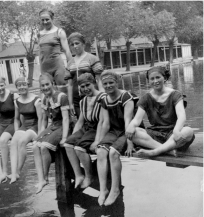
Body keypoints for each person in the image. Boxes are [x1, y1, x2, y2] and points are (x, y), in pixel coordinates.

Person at [126, 66, 195, 157]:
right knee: (134, 132)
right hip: (156, 134)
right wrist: (131, 126)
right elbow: (136, 120)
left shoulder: (175, 95)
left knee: (188, 131)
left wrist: (176, 130)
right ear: (149, 81)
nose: (155, 81)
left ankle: (154, 151)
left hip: (173, 134)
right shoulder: (146, 98)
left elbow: (181, 116)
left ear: (165, 78)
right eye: (152, 79)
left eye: (158, 77)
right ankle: (167, 150)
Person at [96, 71, 137, 206]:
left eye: (111, 82)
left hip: (129, 129)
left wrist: (130, 143)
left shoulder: (126, 97)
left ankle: (115, 190)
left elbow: (128, 121)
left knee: (113, 153)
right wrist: (100, 142)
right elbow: (106, 123)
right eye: (105, 84)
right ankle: (103, 189)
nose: (108, 86)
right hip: (115, 130)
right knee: (101, 151)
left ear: (117, 82)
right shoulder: (104, 99)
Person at [64, 73, 106, 190]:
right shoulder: (83, 101)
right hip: (87, 127)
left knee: (79, 148)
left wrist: (97, 140)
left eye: (88, 85)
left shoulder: (102, 98)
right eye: (82, 87)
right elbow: (80, 121)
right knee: (68, 144)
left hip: (98, 127)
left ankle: (89, 176)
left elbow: (103, 122)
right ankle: (78, 175)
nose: (85, 89)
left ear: (94, 83)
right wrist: (73, 136)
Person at [32, 73, 70, 193]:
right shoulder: (44, 98)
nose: (45, 88)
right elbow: (44, 119)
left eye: (47, 84)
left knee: (44, 147)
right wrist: (40, 134)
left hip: (65, 126)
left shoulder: (61, 97)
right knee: (35, 146)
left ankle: (46, 177)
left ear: (52, 83)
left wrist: (64, 137)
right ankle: (41, 179)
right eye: (42, 86)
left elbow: (66, 119)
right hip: (53, 125)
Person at [9, 77, 42, 184]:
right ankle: (13, 172)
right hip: (25, 125)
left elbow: (41, 118)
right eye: (19, 85)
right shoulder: (17, 101)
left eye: (24, 85)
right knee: (14, 142)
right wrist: (16, 132)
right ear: (17, 88)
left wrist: (40, 134)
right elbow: (16, 119)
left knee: (22, 141)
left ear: (28, 86)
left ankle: (18, 171)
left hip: (35, 125)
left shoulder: (36, 99)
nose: (22, 87)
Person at [65, 32, 104, 118]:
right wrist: (70, 103)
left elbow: (99, 79)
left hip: (91, 96)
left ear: (83, 44)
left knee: (94, 120)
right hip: (76, 100)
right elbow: (70, 85)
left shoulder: (92, 58)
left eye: (77, 43)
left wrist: (102, 96)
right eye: (72, 44)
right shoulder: (70, 63)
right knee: (81, 123)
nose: (75, 46)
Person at [38, 8, 72, 93]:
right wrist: (41, 69)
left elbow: (67, 50)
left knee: (62, 90)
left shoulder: (59, 32)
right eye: (42, 20)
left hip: (57, 66)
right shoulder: (39, 34)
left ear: (52, 19)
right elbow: (40, 53)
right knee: (48, 92)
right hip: (45, 68)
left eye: (47, 19)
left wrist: (71, 67)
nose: (45, 22)